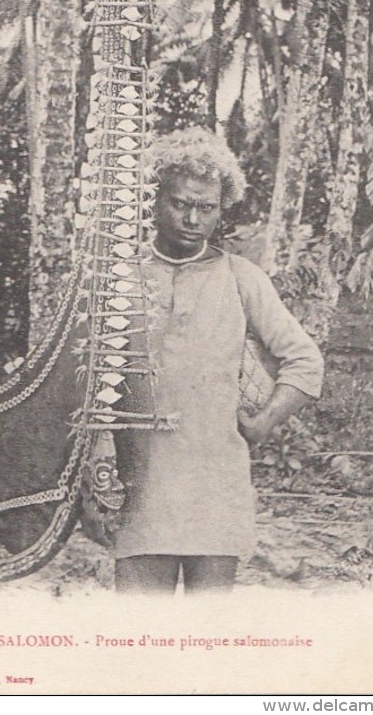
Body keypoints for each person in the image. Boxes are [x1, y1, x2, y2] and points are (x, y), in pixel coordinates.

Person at [111, 126, 324, 594]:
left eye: (205, 208)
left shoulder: (241, 278)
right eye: (179, 203)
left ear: (221, 208)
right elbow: (80, 378)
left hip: (215, 481)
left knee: (209, 630)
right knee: (137, 632)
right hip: (140, 483)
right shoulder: (118, 280)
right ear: (154, 200)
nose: (192, 218)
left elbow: (305, 361)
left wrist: (265, 421)